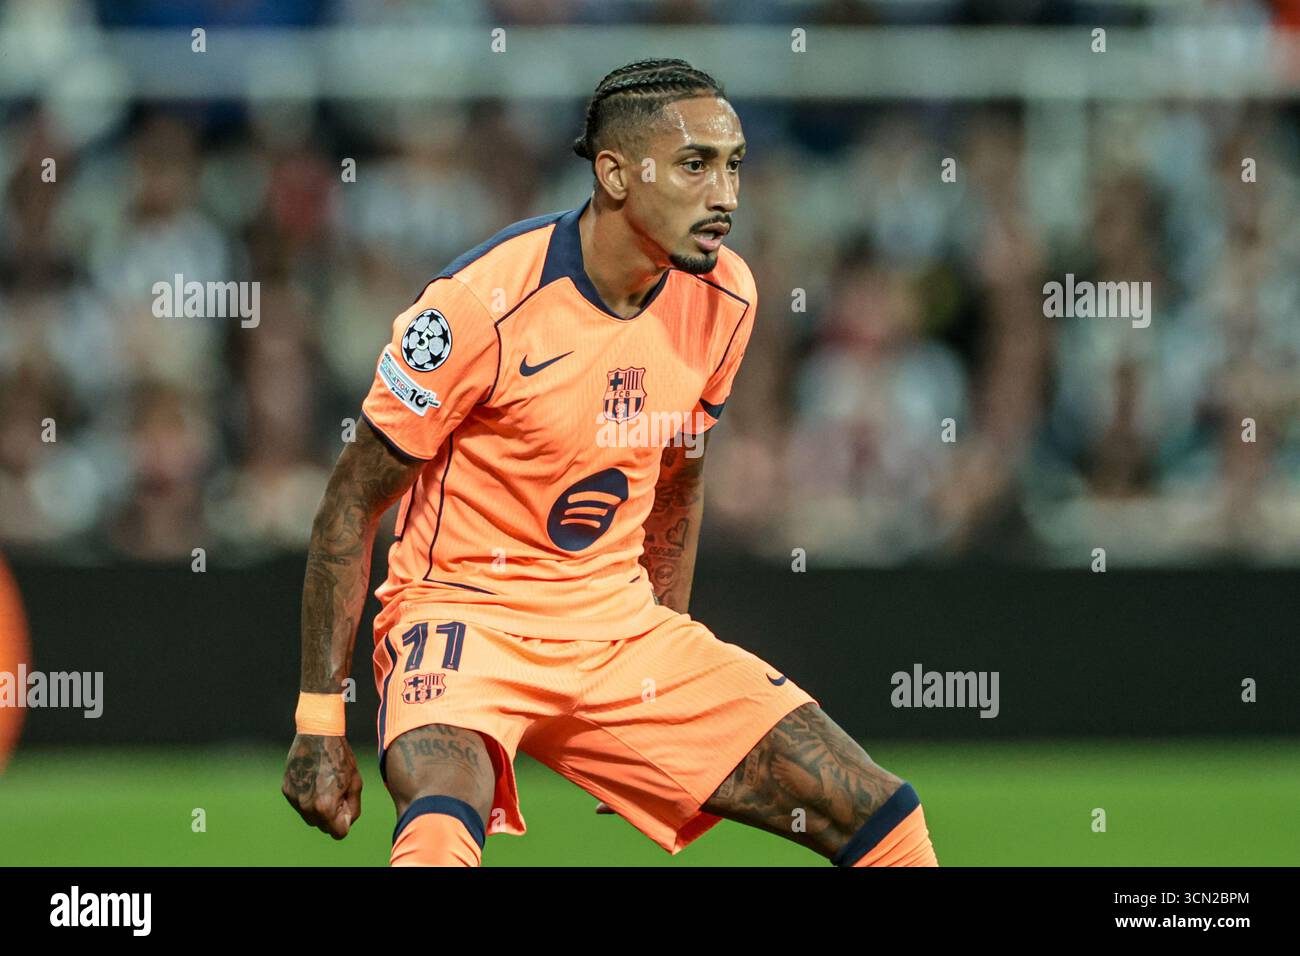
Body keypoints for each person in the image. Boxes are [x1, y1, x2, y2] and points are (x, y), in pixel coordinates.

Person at [281, 58, 937, 867]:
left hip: (615, 624)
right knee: (442, 815)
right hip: (462, 614)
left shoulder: (726, 297)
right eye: (696, 164)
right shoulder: (478, 307)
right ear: (616, 173)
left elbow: (678, 478)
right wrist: (319, 720)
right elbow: (349, 503)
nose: (726, 194)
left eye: (734, 165)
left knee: (880, 814)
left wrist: (660, 667)